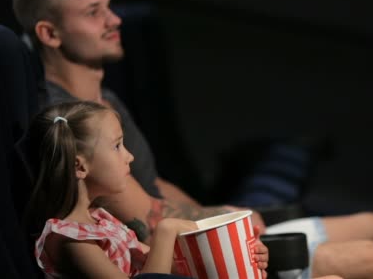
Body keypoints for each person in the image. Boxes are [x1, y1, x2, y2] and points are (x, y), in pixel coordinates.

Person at [12, 0, 373, 278]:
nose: (114, 20)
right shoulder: (69, 122)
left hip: (187, 242)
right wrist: (223, 223)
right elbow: (144, 212)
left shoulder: (107, 99)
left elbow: (154, 184)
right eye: (94, 13)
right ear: (50, 33)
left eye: (109, 7)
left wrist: (217, 213)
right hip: (193, 254)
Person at [23, 100, 271, 278]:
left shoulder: (101, 220)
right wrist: (166, 230)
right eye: (117, 146)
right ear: (80, 166)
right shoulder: (73, 241)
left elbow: (169, 267)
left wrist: (237, 257)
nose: (129, 157)